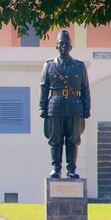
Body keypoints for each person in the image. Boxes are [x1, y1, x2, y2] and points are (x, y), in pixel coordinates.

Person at [38, 30, 91, 178]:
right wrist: (42, 107)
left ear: (71, 47)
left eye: (66, 44)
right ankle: (56, 167)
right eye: (61, 44)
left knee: (73, 139)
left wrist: (87, 107)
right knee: (55, 139)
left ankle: (71, 168)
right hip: (55, 106)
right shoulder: (49, 66)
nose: (64, 47)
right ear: (56, 46)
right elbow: (44, 87)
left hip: (75, 106)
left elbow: (85, 87)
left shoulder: (79, 67)